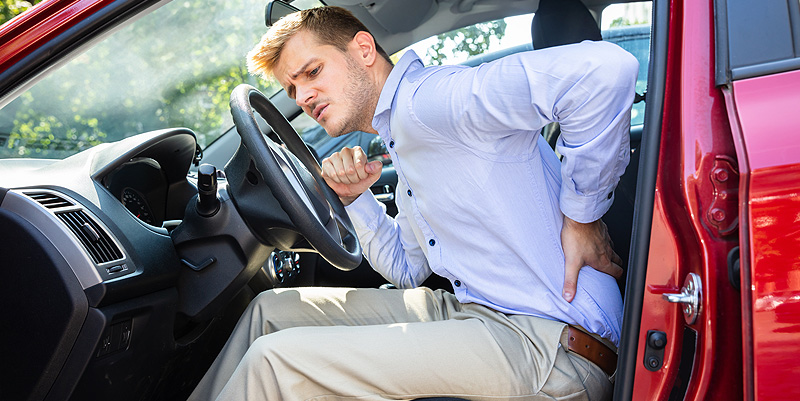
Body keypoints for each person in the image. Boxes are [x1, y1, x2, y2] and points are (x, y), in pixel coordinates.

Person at [190, 5, 637, 401]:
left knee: (276, 360)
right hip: (481, 312)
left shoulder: (432, 101)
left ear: (364, 49)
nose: (302, 97)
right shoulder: (404, 137)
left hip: (554, 347)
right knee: (268, 314)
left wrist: (583, 216)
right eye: (291, 90)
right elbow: (407, 271)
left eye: (312, 73)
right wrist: (355, 198)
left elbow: (603, 70)